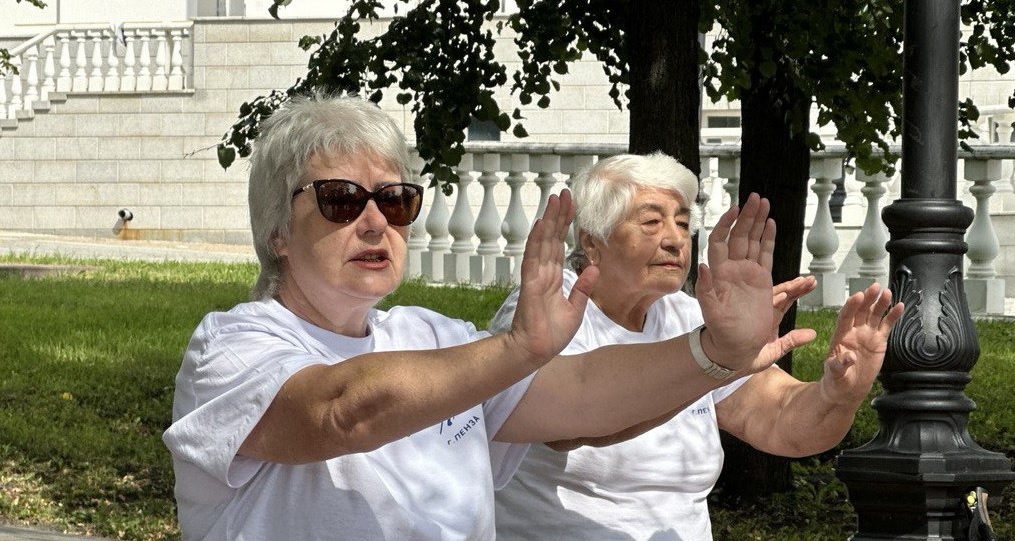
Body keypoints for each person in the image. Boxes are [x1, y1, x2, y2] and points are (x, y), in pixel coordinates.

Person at [161, 93, 900, 541]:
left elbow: (581, 397)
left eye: (394, 201)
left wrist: (716, 349)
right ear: (276, 231)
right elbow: (342, 409)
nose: (374, 221)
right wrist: (518, 347)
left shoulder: (433, 336)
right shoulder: (233, 344)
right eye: (340, 199)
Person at [490, 152, 903, 541]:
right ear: (593, 242)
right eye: (652, 222)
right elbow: (572, 424)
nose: (674, 239)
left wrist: (838, 394)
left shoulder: (683, 315)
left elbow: (781, 423)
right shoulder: (544, 310)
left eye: (683, 224)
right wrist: (715, 356)